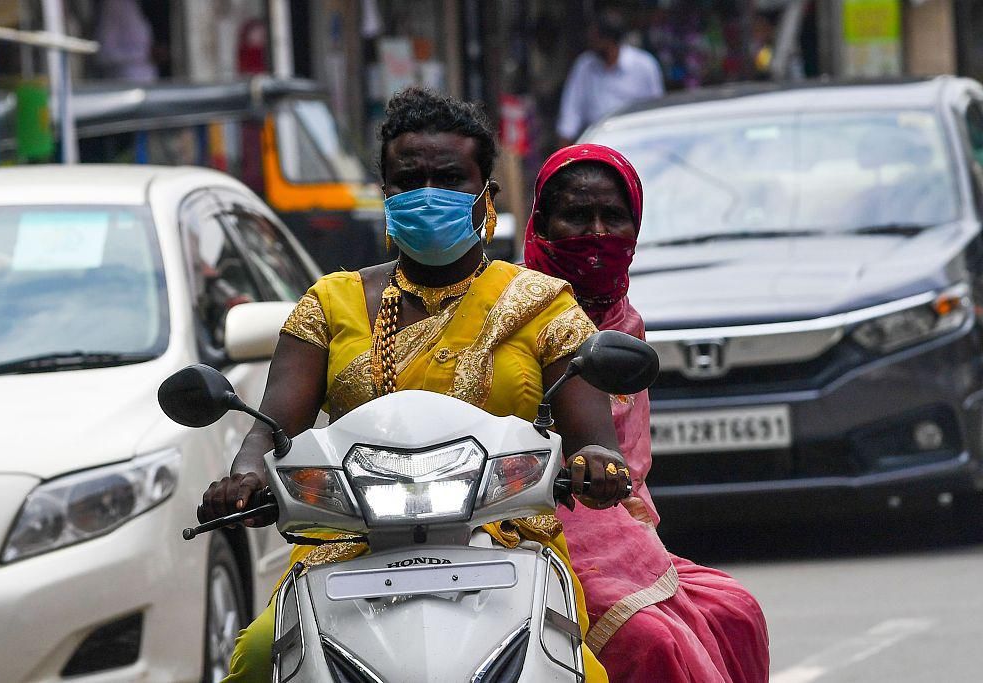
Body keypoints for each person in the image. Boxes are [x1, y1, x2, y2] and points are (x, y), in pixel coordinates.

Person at [201, 88, 633, 682]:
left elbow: (595, 438)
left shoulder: (540, 306)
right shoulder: (330, 304)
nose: (429, 193)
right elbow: (271, 428)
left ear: (486, 194)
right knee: (257, 656)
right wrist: (245, 477)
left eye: (450, 178)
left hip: (504, 541)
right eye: (411, 179)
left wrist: (597, 463)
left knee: (578, 671)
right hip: (351, 542)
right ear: (387, 191)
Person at [524, 143, 771, 682]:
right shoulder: (514, 311)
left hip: (618, 526)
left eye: (613, 218)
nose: (595, 235)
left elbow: (628, 473)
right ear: (540, 223)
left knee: (736, 612)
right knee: (650, 642)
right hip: (529, 529)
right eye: (575, 216)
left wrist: (631, 529)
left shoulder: (624, 323)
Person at [556, 9, 665, 146]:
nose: (591, 42)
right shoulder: (585, 65)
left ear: (609, 40)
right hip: (596, 145)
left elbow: (657, 110)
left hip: (636, 143)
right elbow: (571, 111)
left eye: (595, 38)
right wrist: (564, 151)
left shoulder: (644, 65)